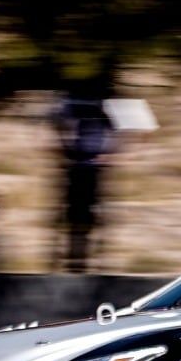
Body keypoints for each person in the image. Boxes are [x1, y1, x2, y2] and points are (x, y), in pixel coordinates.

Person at [53, 89, 116, 272]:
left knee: (87, 215)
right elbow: (59, 124)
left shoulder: (100, 107)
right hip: (80, 165)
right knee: (77, 215)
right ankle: (76, 259)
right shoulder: (76, 104)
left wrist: (108, 154)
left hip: (89, 166)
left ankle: (85, 260)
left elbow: (116, 131)